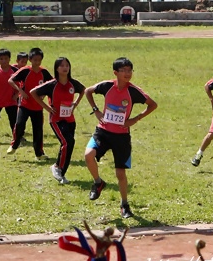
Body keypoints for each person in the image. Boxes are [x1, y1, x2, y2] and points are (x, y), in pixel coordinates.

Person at [84, 57, 158, 218]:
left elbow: (153, 104)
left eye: (129, 70)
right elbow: (87, 91)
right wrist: (96, 110)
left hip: (121, 137)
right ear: (115, 73)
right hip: (102, 132)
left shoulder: (134, 91)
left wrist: (135, 119)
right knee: (88, 155)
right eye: (123, 70)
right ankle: (98, 182)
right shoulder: (107, 86)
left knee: (120, 174)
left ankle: (124, 205)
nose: (127, 73)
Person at [32, 56, 86, 184]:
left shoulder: (73, 83)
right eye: (62, 65)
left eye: (67, 65)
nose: (65, 68)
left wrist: (75, 104)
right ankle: (57, 167)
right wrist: (47, 107)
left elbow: (83, 90)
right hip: (56, 120)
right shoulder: (52, 84)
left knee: (70, 144)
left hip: (70, 119)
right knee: (67, 142)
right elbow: (33, 92)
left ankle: (61, 173)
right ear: (56, 68)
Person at [8, 48, 53, 156]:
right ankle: (14, 145)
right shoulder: (25, 71)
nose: (37, 62)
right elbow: (10, 80)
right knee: (19, 124)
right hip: (24, 104)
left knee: (38, 131)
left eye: (39, 60)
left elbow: (52, 85)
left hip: (37, 107)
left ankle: (39, 153)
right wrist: (20, 92)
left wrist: (43, 94)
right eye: (35, 60)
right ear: (30, 59)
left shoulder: (44, 72)